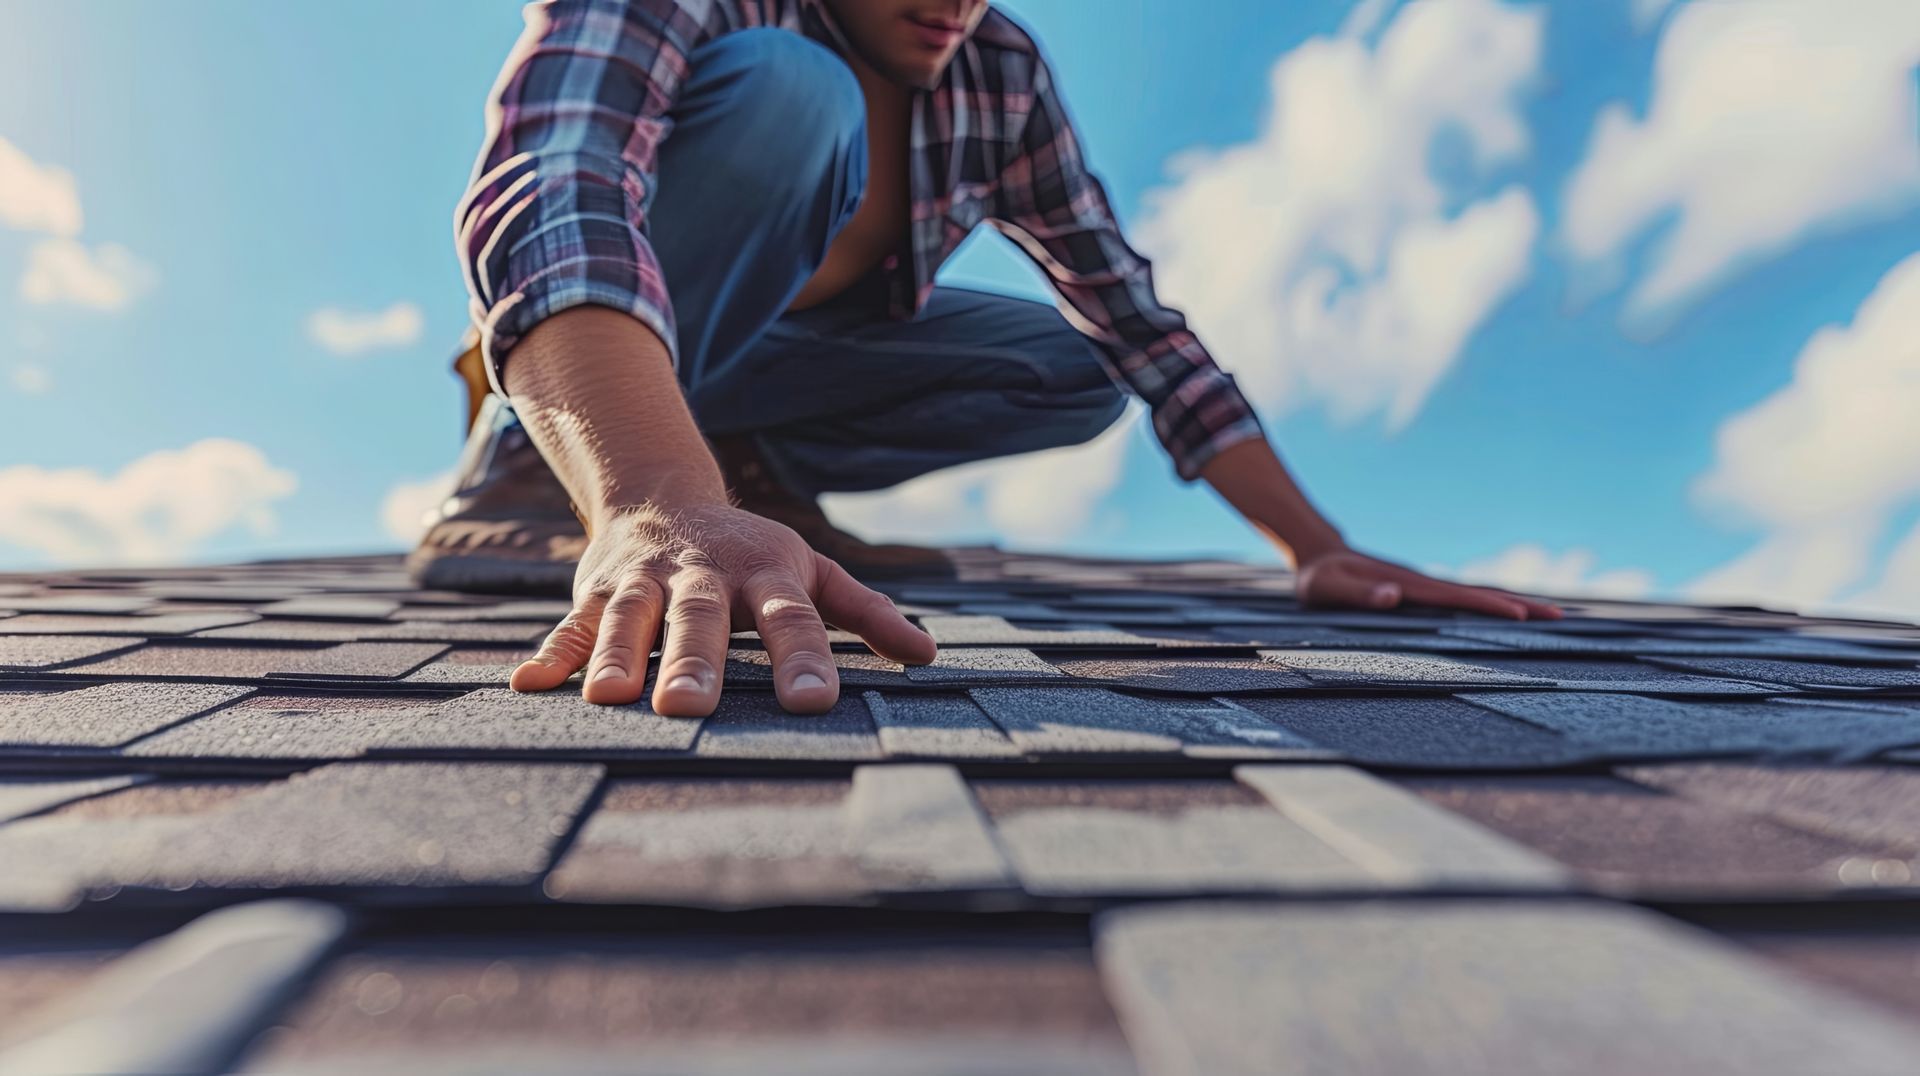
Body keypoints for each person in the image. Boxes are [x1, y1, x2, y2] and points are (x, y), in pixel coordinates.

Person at [418, 0, 1559, 719]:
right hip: (618, 382)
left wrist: (1317, 547)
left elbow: (1135, 319)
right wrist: (654, 496)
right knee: (791, 94)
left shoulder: (1000, 72)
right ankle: (530, 466)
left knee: (1073, 368)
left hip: (758, 379)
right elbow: (552, 189)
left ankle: (744, 468)